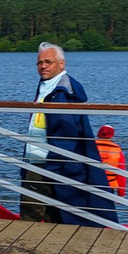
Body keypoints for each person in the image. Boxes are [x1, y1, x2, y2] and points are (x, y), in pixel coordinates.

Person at [24, 42, 107, 223]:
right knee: (50, 213)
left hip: (50, 163)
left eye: (48, 62)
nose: (43, 66)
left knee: (34, 213)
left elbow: (66, 134)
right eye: (39, 63)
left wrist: (54, 166)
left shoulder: (63, 91)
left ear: (62, 64)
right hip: (38, 159)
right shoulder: (48, 85)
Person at [95, 124, 128, 202]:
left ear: (98, 134)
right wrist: (121, 193)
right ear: (112, 136)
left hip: (91, 183)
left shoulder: (89, 146)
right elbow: (121, 174)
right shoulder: (117, 150)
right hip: (109, 185)